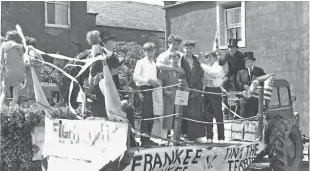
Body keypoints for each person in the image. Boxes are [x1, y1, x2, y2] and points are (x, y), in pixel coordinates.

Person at [133, 42, 160, 147]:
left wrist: (156, 81)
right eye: (148, 51)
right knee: (146, 115)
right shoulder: (141, 62)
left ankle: (148, 138)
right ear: (145, 52)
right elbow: (136, 77)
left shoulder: (154, 63)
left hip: (153, 90)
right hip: (144, 89)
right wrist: (148, 81)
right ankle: (144, 140)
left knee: (151, 115)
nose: (151, 53)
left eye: (152, 50)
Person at [179, 40, 205, 143]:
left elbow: (201, 75)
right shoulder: (180, 60)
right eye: (186, 48)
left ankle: (195, 136)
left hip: (196, 90)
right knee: (183, 112)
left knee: (196, 113)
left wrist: (197, 88)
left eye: (190, 48)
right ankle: (183, 135)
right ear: (183, 49)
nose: (188, 50)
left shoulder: (197, 61)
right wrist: (186, 87)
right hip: (182, 89)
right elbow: (178, 73)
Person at [199, 52, 225, 143]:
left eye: (209, 57)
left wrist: (201, 63)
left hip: (215, 90)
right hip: (207, 90)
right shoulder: (206, 67)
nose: (208, 59)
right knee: (207, 114)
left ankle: (221, 137)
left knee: (218, 115)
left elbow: (213, 73)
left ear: (215, 58)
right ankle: (209, 137)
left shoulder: (218, 67)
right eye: (206, 57)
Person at [158, 52, 185, 139]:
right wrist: (165, 91)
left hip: (179, 95)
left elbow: (185, 83)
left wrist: (184, 93)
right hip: (168, 96)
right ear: (169, 60)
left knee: (178, 115)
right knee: (167, 115)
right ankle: (164, 137)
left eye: (177, 59)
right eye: (174, 58)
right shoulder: (165, 70)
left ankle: (176, 136)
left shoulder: (181, 70)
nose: (176, 60)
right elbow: (159, 83)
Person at [219, 39, 245, 118]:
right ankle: (224, 100)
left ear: (236, 48)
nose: (231, 49)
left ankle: (236, 97)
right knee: (223, 83)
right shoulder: (227, 55)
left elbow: (243, 67)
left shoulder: (240, 55)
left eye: (233, 48)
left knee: (235, 81)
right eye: (230, 48)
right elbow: (221, 63)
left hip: (238, 73)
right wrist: (219, 58)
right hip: (230, 73)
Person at [0, 30, 27, 108]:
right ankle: (12, 111)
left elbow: (1, 59)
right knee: (16, 95)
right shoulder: (20, 47)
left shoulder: (3, 45)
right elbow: (22, 61)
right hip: (18, 72)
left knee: (4, 93)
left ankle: (1, 110)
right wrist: (24, 74)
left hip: (7, 72)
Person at [237, 52, 265, 118]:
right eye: (247, 62)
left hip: (256, 96)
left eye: (250, 62)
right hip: (245, 97)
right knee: (244, 112)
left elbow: (264, 79)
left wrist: (258, 84)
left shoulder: (259, 70)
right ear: (245, 63)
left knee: (256, 113)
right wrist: (243, 86)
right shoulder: (241, 72)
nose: (249, 64)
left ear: (253, 62)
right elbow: (238, 82)